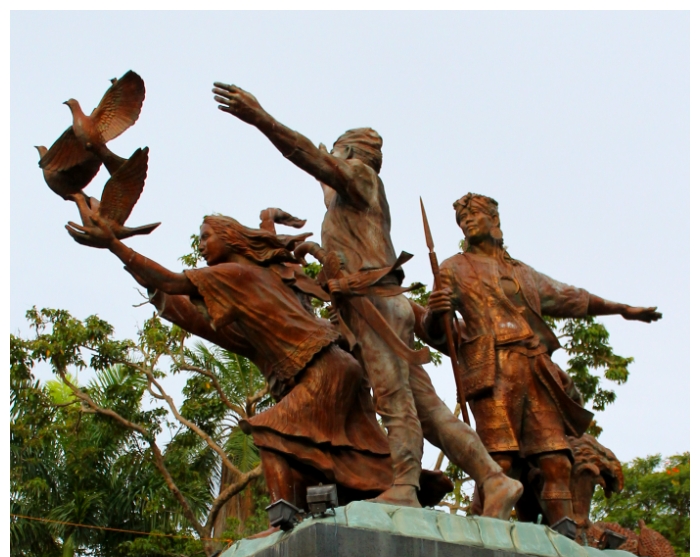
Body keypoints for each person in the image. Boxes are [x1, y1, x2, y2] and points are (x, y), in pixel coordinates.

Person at [211, 82, 522, 519]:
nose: (330, 165)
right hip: (373, 307)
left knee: (394, 400)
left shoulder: (362, 178)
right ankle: (495, 479)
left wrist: (262, 118)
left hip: (377, 306)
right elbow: (323, 173)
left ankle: (405, 487)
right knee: (431, 413)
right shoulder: (345, 199)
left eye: (336, 155)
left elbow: (313, 159)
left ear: (351, 154)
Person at [66, 210, 426, 510]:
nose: (202, 245)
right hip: (334, 369)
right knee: (342, 458)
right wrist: (268, 221)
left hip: (323, 369)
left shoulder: (236, 274)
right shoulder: (262, 281)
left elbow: (173, 282)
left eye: (206, 236)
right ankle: (341, 506)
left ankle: (283, 520)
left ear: (231, 237)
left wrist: (114, 245)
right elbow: (190, 312)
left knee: (271, 429)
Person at [421, 193, 661, 533]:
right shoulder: (453, 268)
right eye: (462, 220)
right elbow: (437, 332)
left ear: (495, 220)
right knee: (499, 457)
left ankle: (567, 530)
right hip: (491, 369)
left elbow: (570, 297)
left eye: (474, 215)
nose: (467, 222)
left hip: (534, 365)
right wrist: (436, 310)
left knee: (554, 456)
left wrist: (621, 309)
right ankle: (488, 528)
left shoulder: (522, 273)